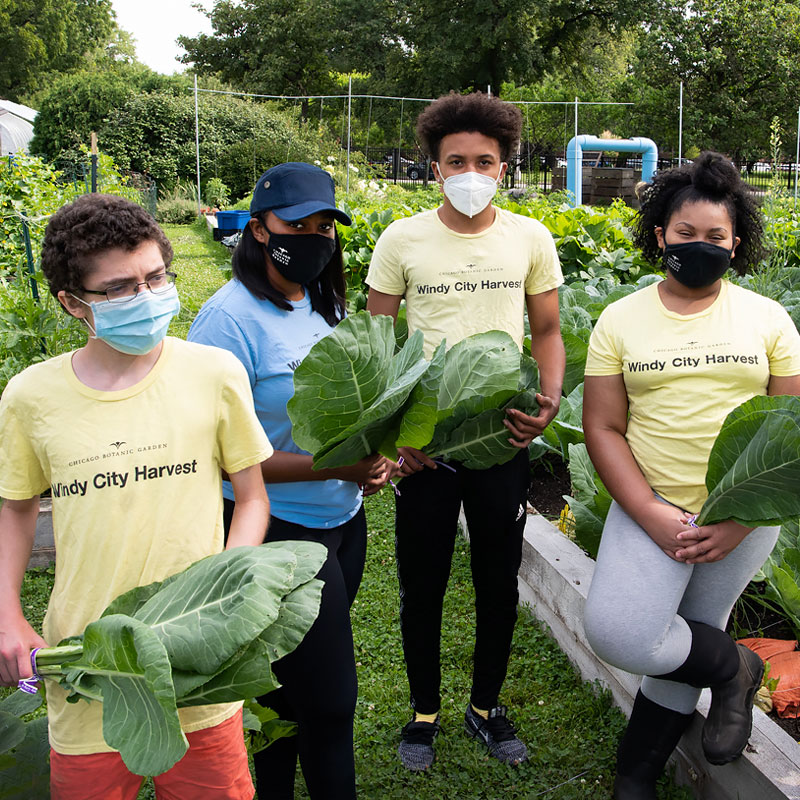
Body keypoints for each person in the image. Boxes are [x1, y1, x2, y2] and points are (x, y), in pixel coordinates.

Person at [0, 193, 272, 800]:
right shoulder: (30, 396)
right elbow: (16, 508)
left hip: (197, 658)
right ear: (74, 303)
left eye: (156, 278)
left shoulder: (214, 372)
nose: (147, 298)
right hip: (88, 662)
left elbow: (251, 497)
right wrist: (7, 615)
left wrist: (229, 594)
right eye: (119, 289)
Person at [581, 152, 800, 799]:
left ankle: (635, 778)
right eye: (685, 234)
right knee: (624, 633)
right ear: (660, 236)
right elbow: (602, 427)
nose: (699, 247)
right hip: (651, 506)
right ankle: (736, 665)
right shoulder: (621, 319)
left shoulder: (769, 321)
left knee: (680, 646)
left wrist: (739, 520)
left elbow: (790, 435)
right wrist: (647, 510)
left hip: (741, 514)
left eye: (715, 237)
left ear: (736, 242)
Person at [365, 91, 565, 770]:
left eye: (485, 159)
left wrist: (549, 398)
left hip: (500, 436)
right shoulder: (403, 240)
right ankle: (423, 712)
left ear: (504, 167)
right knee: (421, 581)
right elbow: (374, 340)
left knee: (497, 576)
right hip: (424, 446)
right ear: (435, 168)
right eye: (457, 160)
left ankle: (485, 705)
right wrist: (396, 436)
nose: (471, 171)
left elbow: (547, 331)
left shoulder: (530, 239)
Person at [188, 162, 394, 800]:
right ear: (256, 230)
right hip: (277, 531)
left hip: (341, 522)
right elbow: (224, 456)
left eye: (324, 227)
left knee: (282, 691)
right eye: (294, 225)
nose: (312, 238)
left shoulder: (322, 303)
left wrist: (372, 454)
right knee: (330, 704)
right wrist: (342, 466)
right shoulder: (227, 321)